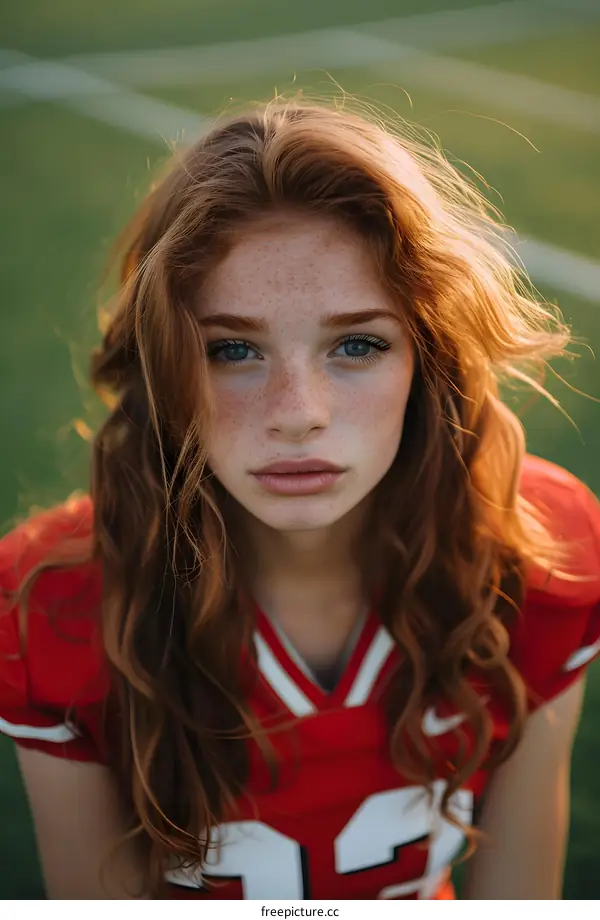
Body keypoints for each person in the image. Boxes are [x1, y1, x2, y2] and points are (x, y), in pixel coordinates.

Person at [1, 100, 599, 901]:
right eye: (232, 349)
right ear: (162, 366)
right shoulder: (53, 606)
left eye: (357, 344)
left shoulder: (539, 554)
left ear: (429, 359)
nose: (298, 412)